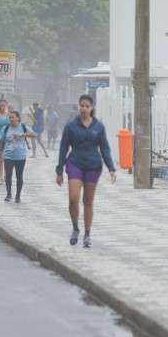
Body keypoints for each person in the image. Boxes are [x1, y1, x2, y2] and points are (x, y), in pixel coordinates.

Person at [55, 94, 117, 248]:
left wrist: (111, 168)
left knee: (88, 200)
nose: (84, 108)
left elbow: (104, 148)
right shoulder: (71, 126)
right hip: (75, 163)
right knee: (73, 198)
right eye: (82, 105)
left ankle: (87, 234)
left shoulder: (98, 127)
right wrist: (59, 170)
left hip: (93, 165)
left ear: (92, 108)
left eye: (87, 106)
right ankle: (75, 228)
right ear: (79, 106)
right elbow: (63, 148)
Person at [0, 109, 34, 203]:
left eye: (13, 117)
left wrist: (21, 134)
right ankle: (9, 194)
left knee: (19, 176)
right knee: (8, 174)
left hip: (20, 156)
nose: (11, 119)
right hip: (8, 156)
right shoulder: (5, 128)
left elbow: (33, 134)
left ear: (18, 118)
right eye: (10, 117)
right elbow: (0, 141)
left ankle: (18, 196)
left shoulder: (23, 127)